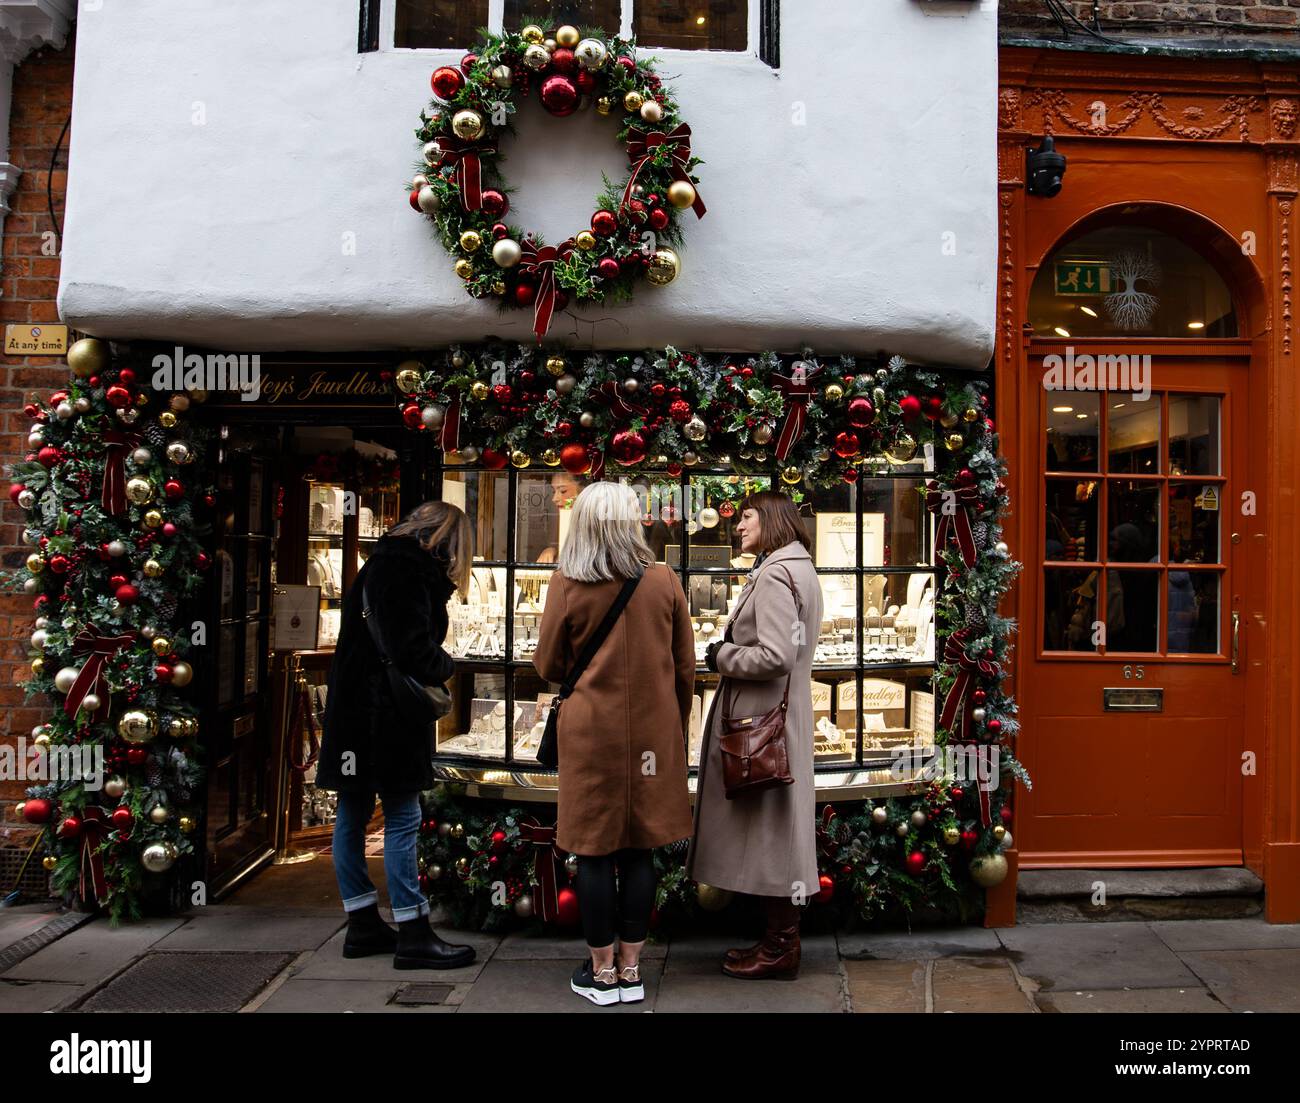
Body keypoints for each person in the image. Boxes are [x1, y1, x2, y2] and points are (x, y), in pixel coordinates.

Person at [532, 482, 695, 1005]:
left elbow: (549, 665)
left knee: (594, 849)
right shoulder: (663, 579)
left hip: (590, 734)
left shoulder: (567, 581)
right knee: (640, 847)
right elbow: (685, 667)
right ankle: (632, 968)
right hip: (652, 732)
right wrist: (672, 722)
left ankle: (601, 973)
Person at [317, 501, 477, 970]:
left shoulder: (380, 563)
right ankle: (413, 930)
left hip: (355, 707)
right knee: (403, 814)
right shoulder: (409, 572)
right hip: (384, 714)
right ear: (446, 540)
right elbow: (412, 649)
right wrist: (446, 666)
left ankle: (363, 921)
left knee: (352, 810)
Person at [687, 490, 823, 980]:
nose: (738, 527)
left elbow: (775, 657)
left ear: (770, 519)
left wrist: (720, 655)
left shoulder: (774, 575)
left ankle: (780, 948)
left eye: (746, 518)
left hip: (762, 727)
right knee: (773, 831)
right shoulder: (798, 567)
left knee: (771, 833)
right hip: (778, 723)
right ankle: (775, 942)